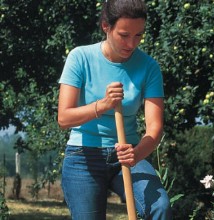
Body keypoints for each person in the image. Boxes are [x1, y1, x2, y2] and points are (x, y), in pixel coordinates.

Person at [57, 0, 172, 219]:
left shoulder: (149, 67)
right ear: (106, 27)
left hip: (128, 153)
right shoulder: (80, 58)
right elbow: (63, 118)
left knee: (159, 207)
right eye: (124, 34)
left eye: (138, 35)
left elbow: (155, 128)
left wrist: (135, 154)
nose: (131, 43)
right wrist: (103, 105)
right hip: (83, 156)